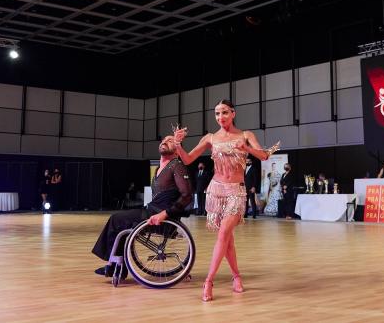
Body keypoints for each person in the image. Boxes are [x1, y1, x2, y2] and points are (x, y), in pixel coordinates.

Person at [173, 99, 279, 302]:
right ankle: (236, 277)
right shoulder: (211, 138)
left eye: (224, 112)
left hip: (236, 192)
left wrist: (246, 148)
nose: (220, 117)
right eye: (217, 114)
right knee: (227, 239)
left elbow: (264, 156)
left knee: (223, 234)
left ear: (233, 113)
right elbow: (187, 160)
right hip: (216, 191)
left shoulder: (246, 135)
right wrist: (178, 144)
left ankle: (209, 281)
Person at [91, 135, 193, 276]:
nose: (164, 141)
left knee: (116, 219)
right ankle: (117, 267)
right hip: (151, 210)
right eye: (163, 140)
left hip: (161, 217)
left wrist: (165, 214)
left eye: (170, 141)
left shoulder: (177, 165)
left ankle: (115, 267)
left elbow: (187, 195)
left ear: (177, 151)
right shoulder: (159, 169)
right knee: (121, 223)